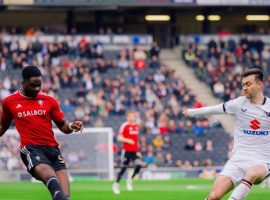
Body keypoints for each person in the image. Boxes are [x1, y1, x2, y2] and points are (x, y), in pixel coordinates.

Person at [183, 68, 270, 200]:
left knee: (251, 173)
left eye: (248, 84)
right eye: (243, 84)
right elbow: (214, 109)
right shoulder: (238, 104)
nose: (245, 88)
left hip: (262, 161)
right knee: (213, 196)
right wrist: (191, 112)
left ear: (260, 85)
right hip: (239, 159)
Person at [0, 66, 83, 200]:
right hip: (32, 149)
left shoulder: (49, 100)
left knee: (65, 197)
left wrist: (72, 126)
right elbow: (2, 126)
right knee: (54, 184)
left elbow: (63, 125)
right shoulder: (10, 102)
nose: (37, 88)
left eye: (39, 85)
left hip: (53, 151)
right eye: (33, 85)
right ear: (23, 83)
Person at [112, 110, 144, 194]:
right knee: (124, 168)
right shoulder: (124, 125)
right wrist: (128, 140)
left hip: (135, 151)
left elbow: (136, 140)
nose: (132, 117)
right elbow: (119, 138)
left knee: (139, 164)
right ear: (127, 117)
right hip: (126, 151)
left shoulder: (136, 126)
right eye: (130, 116)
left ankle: (130, 180)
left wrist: (138, 150)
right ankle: (116, 184)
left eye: (133, 116)